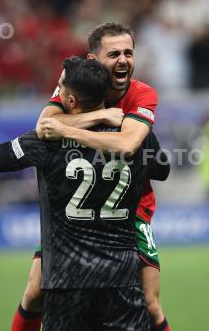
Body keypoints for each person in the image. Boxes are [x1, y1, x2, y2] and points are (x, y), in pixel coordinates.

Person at [0, 57, 169, 330]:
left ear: (70, 102)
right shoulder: (137, 138)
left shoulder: (45, 141)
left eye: (59, 89)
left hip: (66, 279)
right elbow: (162, 168)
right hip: (122, 279)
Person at [12, 23, 172, 331]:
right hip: (73, 213)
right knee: (34, 293)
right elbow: (44, 126)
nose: (123, 60)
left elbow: (127, 144)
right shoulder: (73, 83)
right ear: (93, 59)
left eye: (128, 52)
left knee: (151, 304)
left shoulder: (142, 93)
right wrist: (99, 116)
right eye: (114, 54)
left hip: (127, 208)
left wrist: (67, 128)